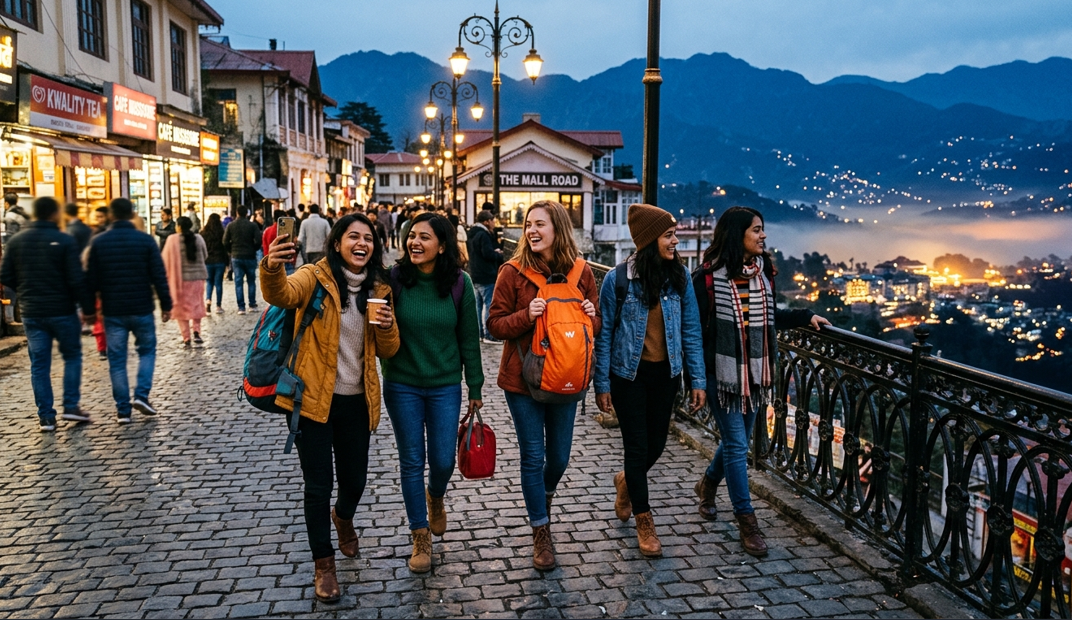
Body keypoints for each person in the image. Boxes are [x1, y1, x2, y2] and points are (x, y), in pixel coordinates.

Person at [261, 213, 399, 603]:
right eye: (353, 236)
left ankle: (344, 517)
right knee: (318, 485)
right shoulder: (315, 276)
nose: (361, 243)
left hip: (357, 402)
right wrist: (272, 266)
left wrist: (386, 327)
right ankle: (324, 564)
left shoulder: (379, 288)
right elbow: (281, 294)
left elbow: (388, 351)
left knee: (354, 481)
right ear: (337, 242)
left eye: (368, 238)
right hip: (312, 402)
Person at [692, 206, 830, 556]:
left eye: (763, 229)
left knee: (735, 442)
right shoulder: (706, 279)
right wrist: (696, 378)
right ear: (737, 235)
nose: (763, 235)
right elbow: (693, 332)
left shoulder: (763, 272)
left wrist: (805, 315)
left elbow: (770, 317)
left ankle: (707, 483)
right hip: (720, 375)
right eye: (756, 230)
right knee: (738, 445)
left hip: (756, 373)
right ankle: (747, 521)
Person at [487, 201, 601, 570]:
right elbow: (494, 325)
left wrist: (591, 317)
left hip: (566, 377)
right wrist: (527, 314)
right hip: (522, 379)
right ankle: (541, 529)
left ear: (558, 229)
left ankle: (544, 495)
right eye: (527, 224)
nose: (532, 230)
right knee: (533, 456)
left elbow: (593, 330)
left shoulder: (583, 273)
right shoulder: (512, 272)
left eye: (540, 224)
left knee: (560, 457)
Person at [594, 204, 707, 557]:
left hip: (666, 375)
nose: (675, 241)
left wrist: (697, 379)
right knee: (638, 447)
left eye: (675, 234)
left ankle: (627, 481)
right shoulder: (618, 280)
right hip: (628, 375)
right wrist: (602, 384)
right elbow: (605, 335)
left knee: (657, 444)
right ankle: (645, 520)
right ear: (648, 239)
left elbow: (690, 329)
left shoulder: (680, 277)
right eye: (668, 235)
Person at [381, 212, 484, 574]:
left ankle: (435, 496)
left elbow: (469, 338)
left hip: (444, 385)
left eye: (425, 237)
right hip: (402, 384)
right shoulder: (393, 281)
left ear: (442, 245)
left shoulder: (460, 283)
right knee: (411, 461)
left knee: (443, 460)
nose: (415, 243)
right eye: (412, 236)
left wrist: (475, 385)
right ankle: (419, 534)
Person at [0, 196, 96, 431]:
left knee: (39, 364)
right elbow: (76, 279)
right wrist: (89, 308)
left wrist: (23, 288)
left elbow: (6, 276)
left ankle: (46, 417)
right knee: (72, 356)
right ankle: (71, 406)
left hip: (32, 312)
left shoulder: (17, 241)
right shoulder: (64, 240)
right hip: (62, 310)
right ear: (54, 214)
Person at [85, 198, 173, 424]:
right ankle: (142, 395)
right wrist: (166, 304)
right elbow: (158, 274)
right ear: (131, 214)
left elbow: (90, 279)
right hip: (141, 306)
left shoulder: (99, 242)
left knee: (116, 359)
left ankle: (123, 410)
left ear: (112, 215)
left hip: (113, 310)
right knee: (147, 351)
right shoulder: (144, 241)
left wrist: (89, 310)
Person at [162, 216, 208, 347]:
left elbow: (165, 259)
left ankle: (186, 337)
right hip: (198, 277)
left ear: (179, 226)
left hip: (180, 279)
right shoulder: (198, 238)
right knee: (197, 304)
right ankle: (197, 332)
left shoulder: (172, 239)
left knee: (181, 308)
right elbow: (205, 255)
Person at [467, 210, 504, 343]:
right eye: (493, 220)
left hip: (475, 273)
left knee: (478, 307)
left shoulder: (472, 233)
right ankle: (489, 335)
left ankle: (480, 334)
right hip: (486, 274)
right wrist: (499, 255)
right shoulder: (483, 235)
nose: (494, 223)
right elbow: (487, 254)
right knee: (488, 305)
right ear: (486, 221)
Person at [222, 206, 263, 314]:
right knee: (251, 281)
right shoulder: (252, 225)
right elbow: (258, 240)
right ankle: (252, 304)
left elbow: (225, 241)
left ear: (237, 213)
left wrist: (231, 251)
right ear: (246, 214)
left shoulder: (231, 225)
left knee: (238, 282)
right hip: (250, 255)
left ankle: (241, 307)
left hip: (236, 256)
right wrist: (254, 248)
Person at [201, 214, 228, 313]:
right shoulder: (221, 233)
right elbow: (225, 247)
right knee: (218, 283)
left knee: (209, 282)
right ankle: (218, 306)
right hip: (219, 260)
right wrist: (227, 262)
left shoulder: (203, 233)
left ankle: (208, 300)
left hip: (208, 261)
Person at [261, 210, 296, 275]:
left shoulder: (267, 231)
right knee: (290, 282)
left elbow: (265, 247)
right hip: (287, 259)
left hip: (273, 261)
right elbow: (293, 245)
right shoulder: (288, 230)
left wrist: (268, 261)